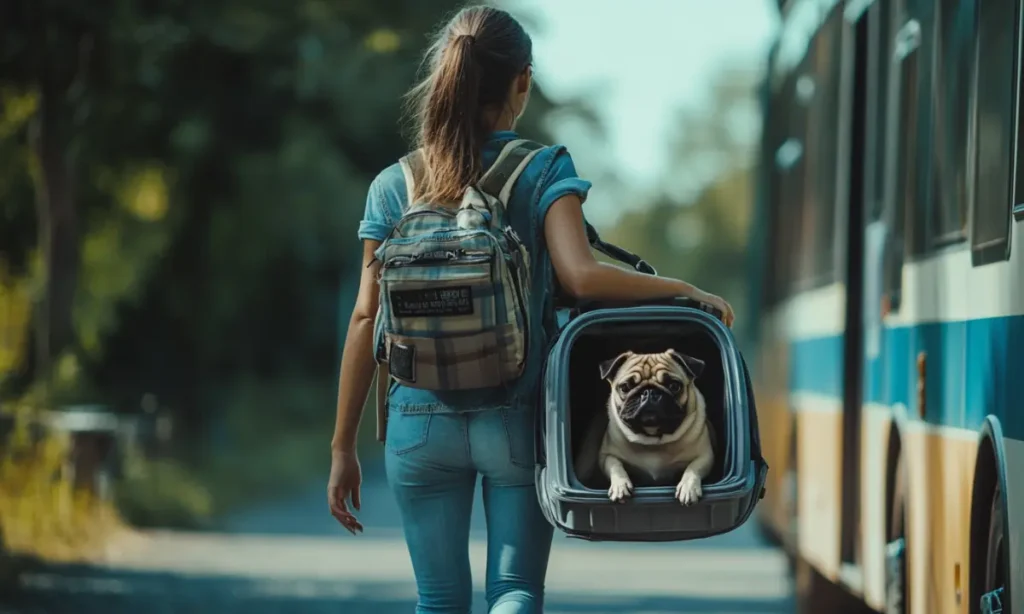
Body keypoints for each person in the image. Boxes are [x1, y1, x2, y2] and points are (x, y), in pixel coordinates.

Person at [327, 5, 735, 614]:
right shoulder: (542, 168)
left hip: (417, 419)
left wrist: (342, 449)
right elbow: (582, 276)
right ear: (523, 78)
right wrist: (680, 289)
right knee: (514, 592)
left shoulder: (395, 184)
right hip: (515, 413)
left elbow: (365, 318)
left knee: (437, 599)